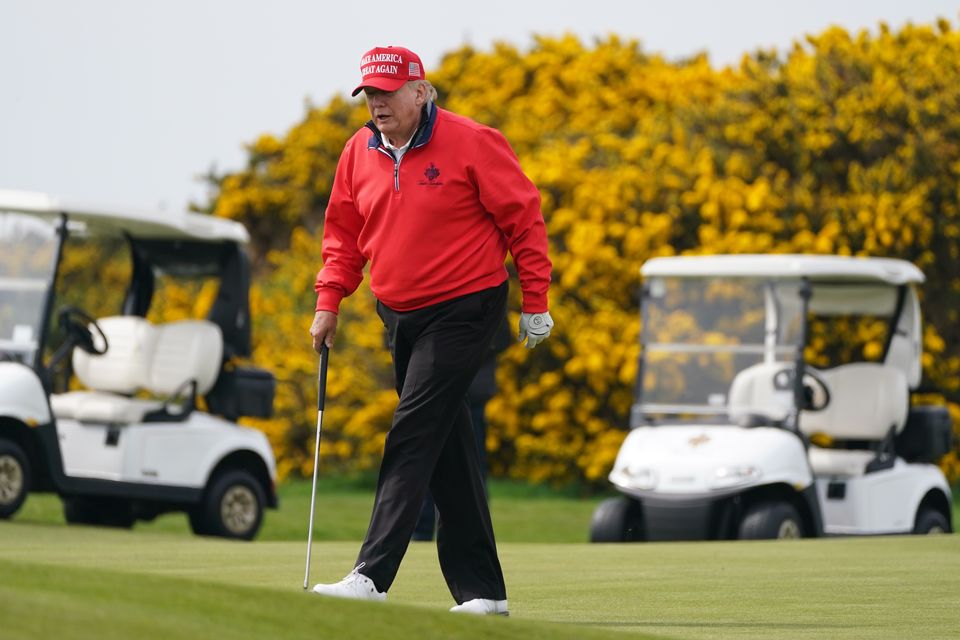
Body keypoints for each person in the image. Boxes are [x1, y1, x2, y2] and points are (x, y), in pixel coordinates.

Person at [309, 45, 553, 617]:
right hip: (398, 313)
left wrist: (535, 299)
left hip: (466, 307)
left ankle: (372, 574)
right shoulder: (358, 151)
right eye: (369, 94)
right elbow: (342, 232)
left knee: (414, 429)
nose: (377, 104)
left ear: (421, 91)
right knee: (448, 447)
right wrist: (329, 302)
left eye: (388, 93)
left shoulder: (472, 141)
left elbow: (524, 216)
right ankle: (483, 592)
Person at [411, 314, 512, 541]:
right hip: (429, 391)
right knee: (424, 458)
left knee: (471, 464)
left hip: (471, 391)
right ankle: (419, 530)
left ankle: (470, 533)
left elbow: (501, 337)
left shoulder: (485, 292)